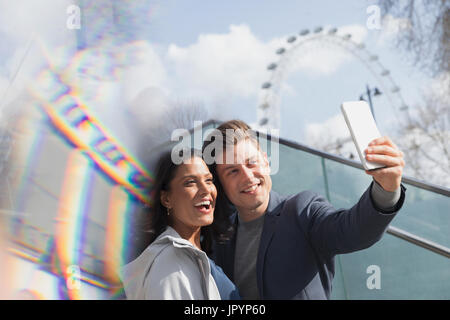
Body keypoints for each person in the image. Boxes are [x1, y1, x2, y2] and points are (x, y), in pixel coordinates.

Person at [202, 120, 406, 300]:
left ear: (265, 161)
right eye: (233, 171)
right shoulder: (220, 239)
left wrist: (386, 189)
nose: (247, 176)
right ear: (220, 184)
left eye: (252, 163)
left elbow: (354, 230)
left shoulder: (302, 211)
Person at [120, 149, 240, 300]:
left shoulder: (194, 256)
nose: (205, 190)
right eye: (190, 182)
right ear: (166, 199)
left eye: (208, 180)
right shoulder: (170, 261)